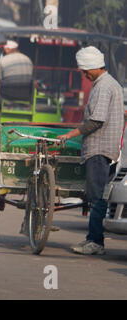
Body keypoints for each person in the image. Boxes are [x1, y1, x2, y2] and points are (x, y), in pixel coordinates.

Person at [57, 46, 124, 255]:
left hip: (99, 148)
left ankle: (96, 242)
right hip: (104, 148)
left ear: (95, 67)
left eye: (85, 70)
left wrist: (70, 134)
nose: (84, 74)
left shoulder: (103, 86)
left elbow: (96, 120)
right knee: (97, 196)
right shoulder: (109, 84)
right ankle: (93, 239)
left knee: (97, 198)